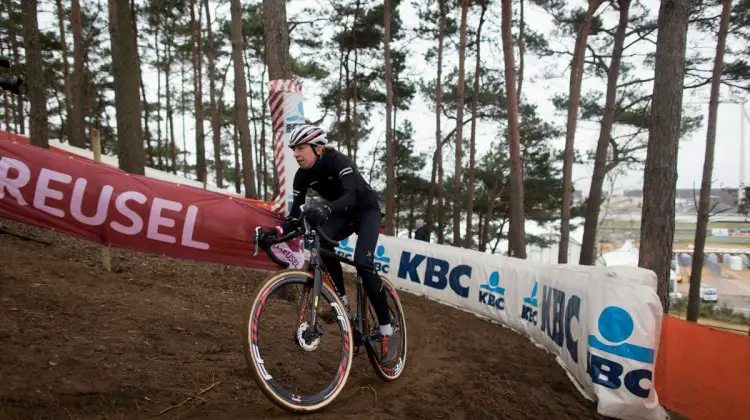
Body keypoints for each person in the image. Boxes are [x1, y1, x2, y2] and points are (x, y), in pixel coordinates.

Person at [257, 124, 397, 364]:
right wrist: (275, 232)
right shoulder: (302, 176)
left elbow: (352, 195)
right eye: (293, 150)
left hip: (366, 210)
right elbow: (294, 219)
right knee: (320, 244)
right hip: (342, 212)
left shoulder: (337, 160)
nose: (296, 154)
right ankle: (341, 302)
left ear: (318, 148)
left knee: (363, 262)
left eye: (301, 148)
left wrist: (326, 208)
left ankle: (386, 329)